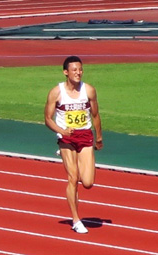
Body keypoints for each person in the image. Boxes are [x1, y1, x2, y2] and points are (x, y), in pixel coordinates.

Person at [44, 56, 103, 234]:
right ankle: (76, 220)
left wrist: (99, 138)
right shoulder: (56, 92)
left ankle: (77, 162)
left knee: (88, 182)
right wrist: (61, 131)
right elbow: (47, 119)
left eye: (80, 69)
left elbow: (95, 115)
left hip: (85, 135)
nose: (78, 73)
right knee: (72, 178)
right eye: (74, 70)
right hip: (66, 138)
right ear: (65, 72)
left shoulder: (89, 90)